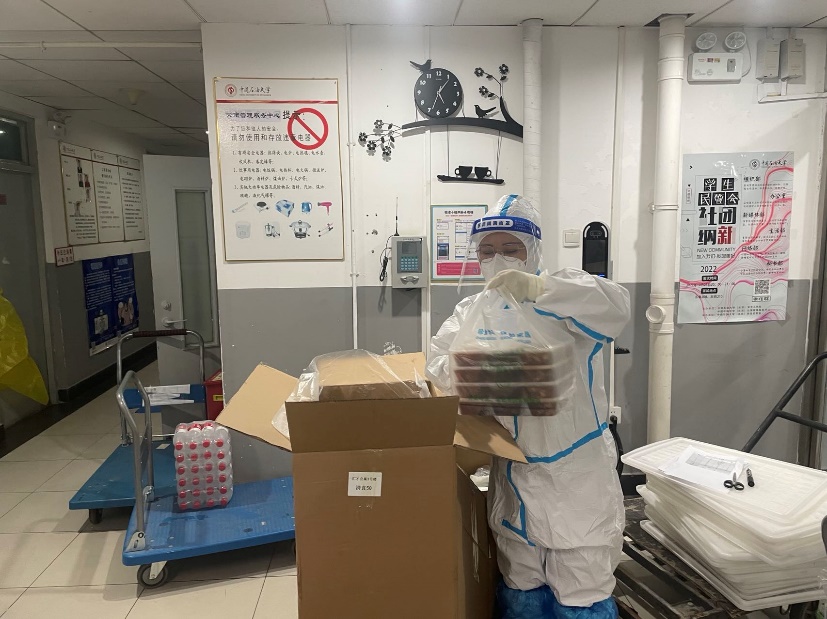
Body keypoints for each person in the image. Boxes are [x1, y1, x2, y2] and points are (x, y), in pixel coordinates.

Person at [426, 195, 630, 619]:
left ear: (532, 250)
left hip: (574, 474)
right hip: (512, 471)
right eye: (487, 251)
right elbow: (439, 365)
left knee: (580, 585)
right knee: (520, 578)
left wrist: (538, 289)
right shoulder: (471, 310)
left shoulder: (563, 293)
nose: (498, 259)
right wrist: (482, 373)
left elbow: (615, 306)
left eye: (510, 248)